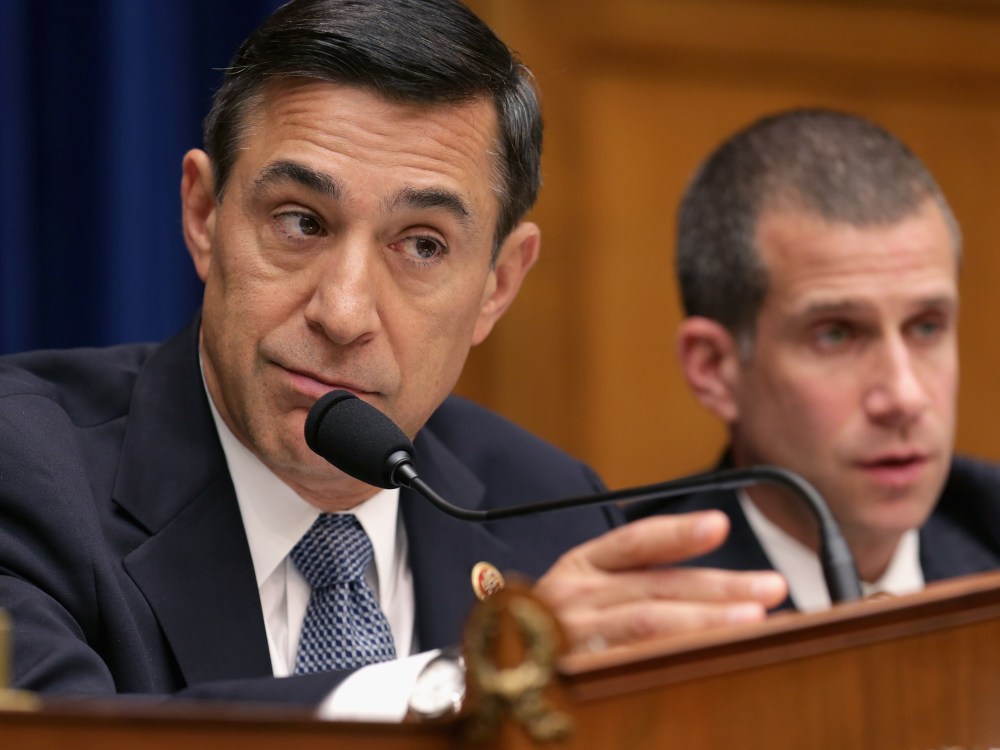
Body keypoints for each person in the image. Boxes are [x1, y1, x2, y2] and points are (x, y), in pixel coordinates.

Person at [0, 0, 786, 708]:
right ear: (205, 216)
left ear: (497, 286)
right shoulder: (27, 474)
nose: (343, 313)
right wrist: (460, 689)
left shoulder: (549, 511)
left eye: (422, 245)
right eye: (300, 222)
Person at [627, 108, 1000, 612]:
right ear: (714, 368)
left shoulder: (984, 528)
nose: (904, 397)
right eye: (836, 335)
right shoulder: (632, 610)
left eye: (926, 326)